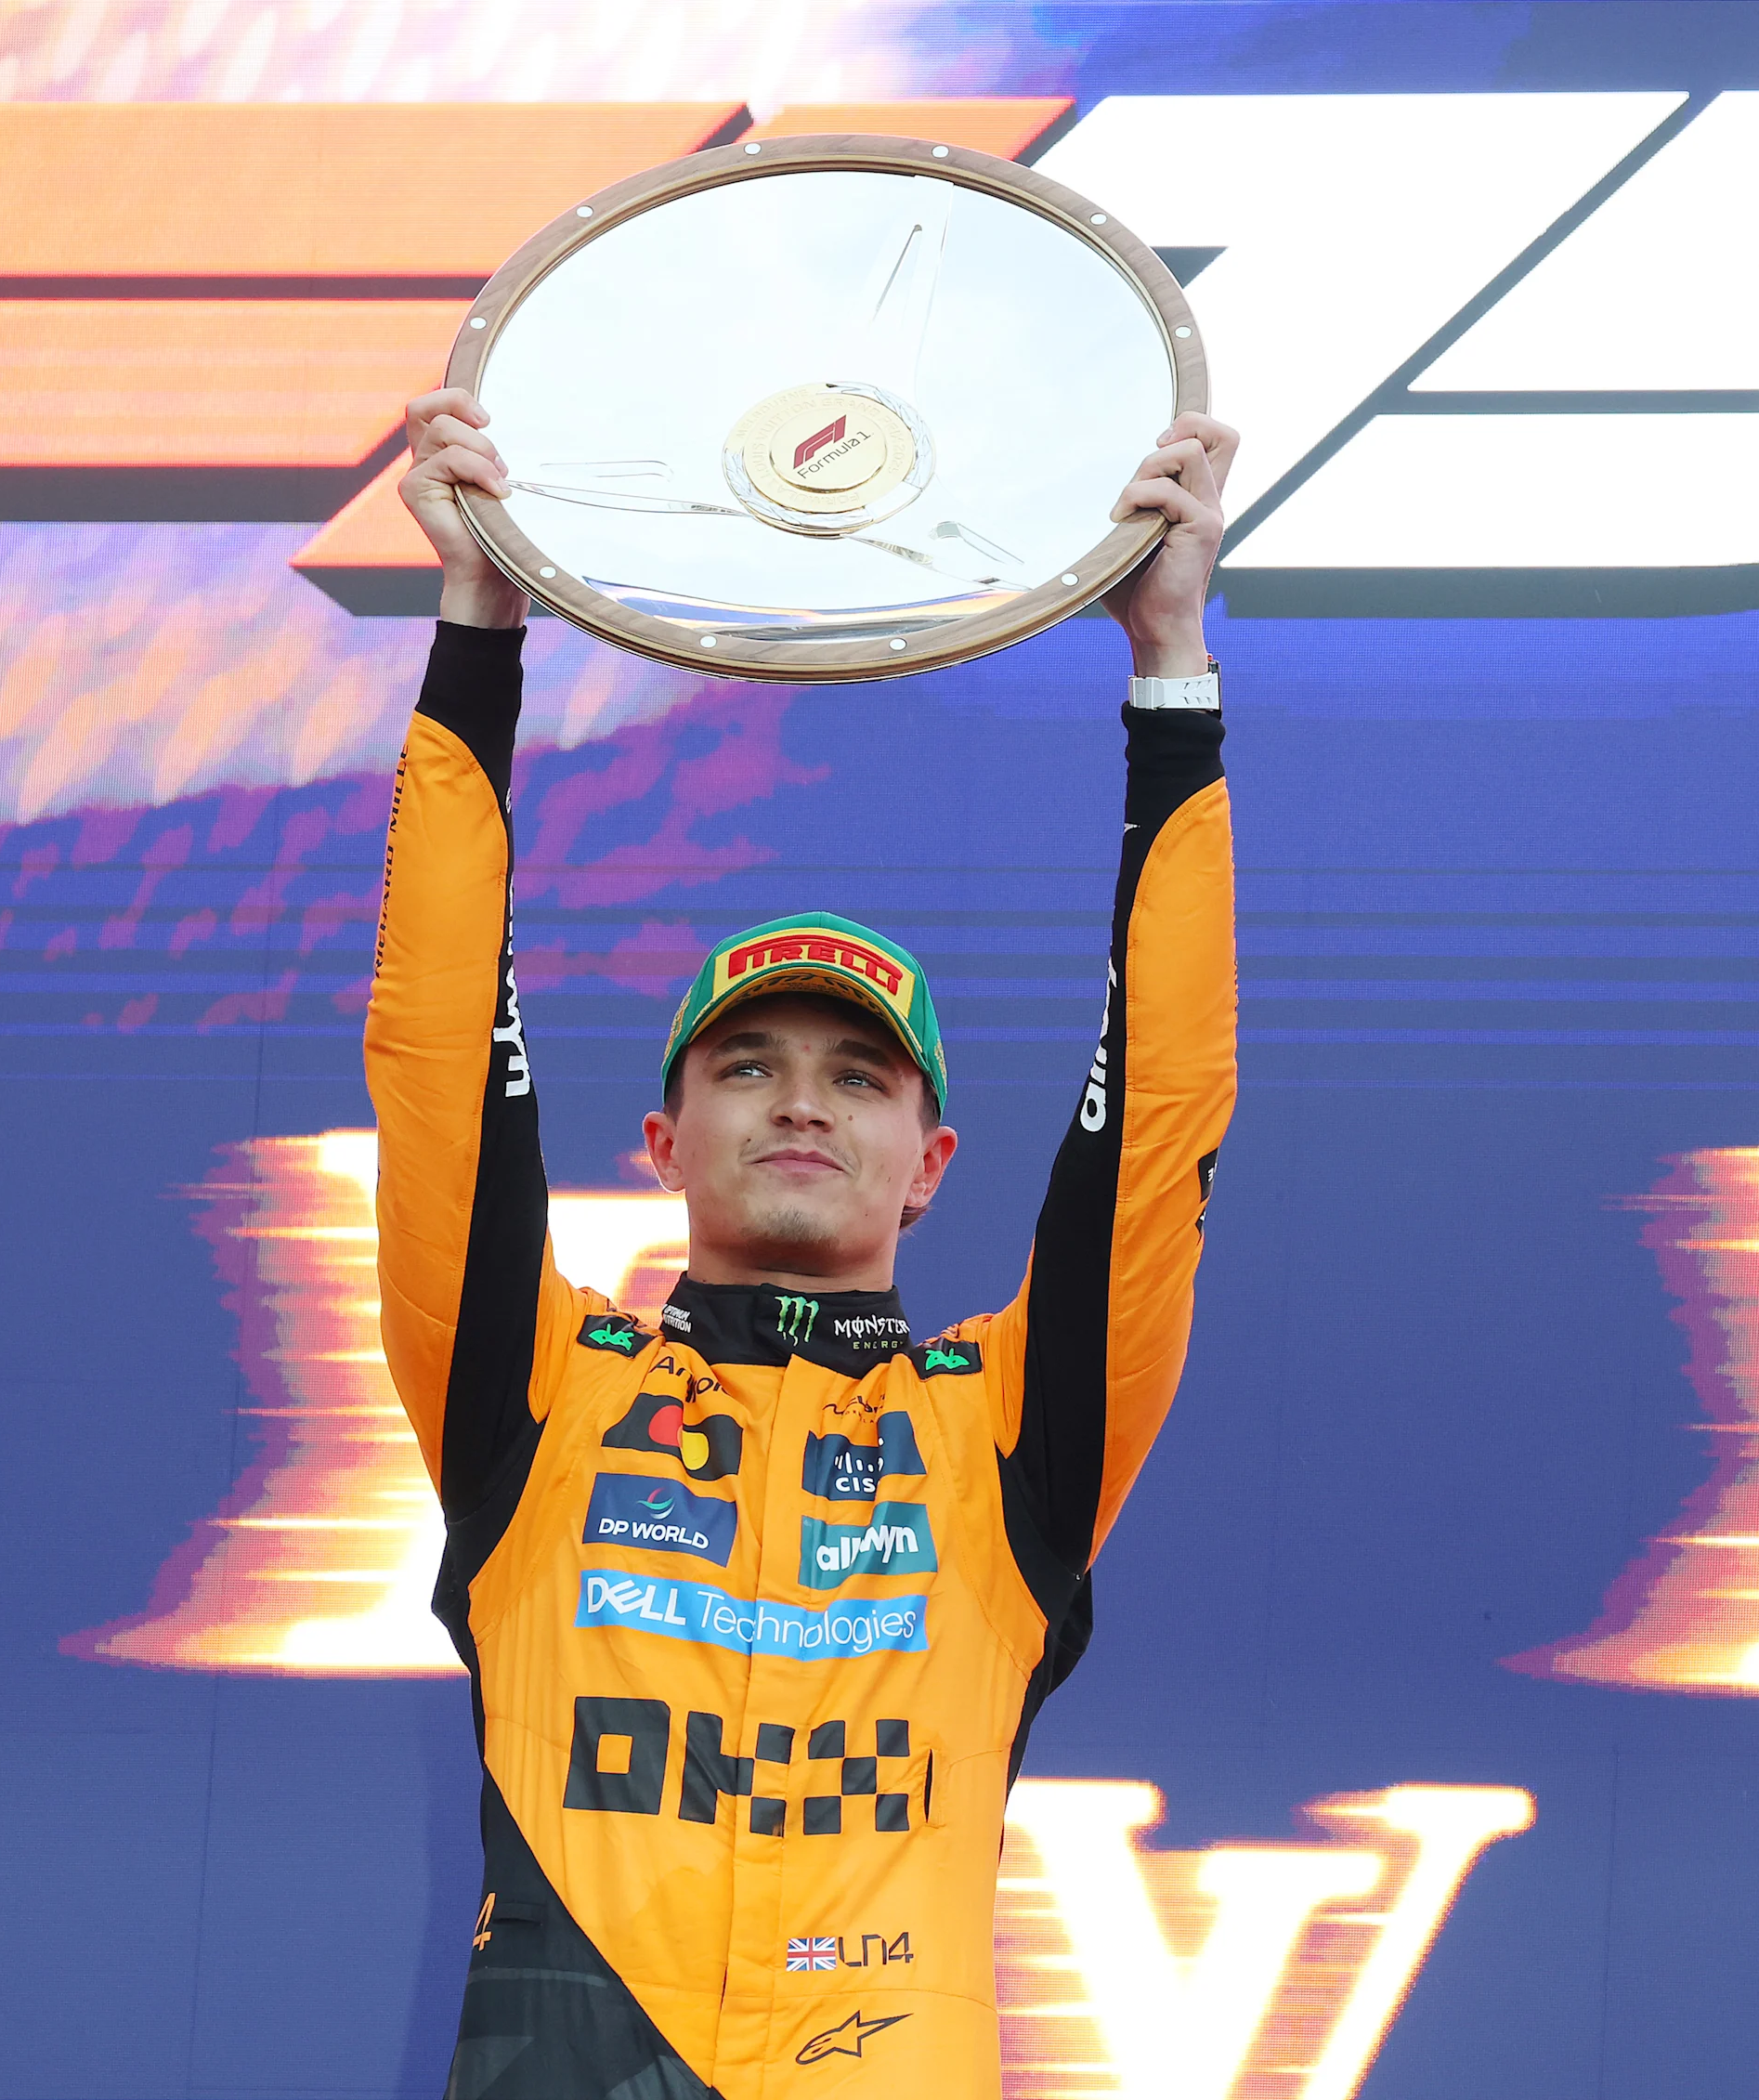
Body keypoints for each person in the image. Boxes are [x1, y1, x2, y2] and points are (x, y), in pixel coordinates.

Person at [368, 384, 1238, 2100]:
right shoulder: (536, 1397)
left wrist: (1172, 676)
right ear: (662, 1140)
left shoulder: (1005, 1430)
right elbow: (440, 1072)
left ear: (931, 1165)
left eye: (860, 1075)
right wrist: (478, 635)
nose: (802, 1104)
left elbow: (1157, 1123)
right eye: (746, 1064)